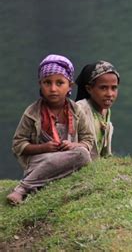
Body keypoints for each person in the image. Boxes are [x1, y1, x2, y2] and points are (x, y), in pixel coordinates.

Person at [7, 54, 94, 205]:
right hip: (40, 161)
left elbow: (88, 140)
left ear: (69, 86)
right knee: (57, 160)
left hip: (68, 158)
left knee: (83, 154)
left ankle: (30, 186)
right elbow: (18, 145)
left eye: (60, 83)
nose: (53, 89)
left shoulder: (76, 110)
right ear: (40, 84)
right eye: (47, 82)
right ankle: (23, 189)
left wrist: (74, 145)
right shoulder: (32, 112)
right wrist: (43, 148)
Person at [75, 60, 120, 160]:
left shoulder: (106, 111)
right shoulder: (80, 109)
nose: (109, 94)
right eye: (103, 88)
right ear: (89, 89)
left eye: (114, 88)